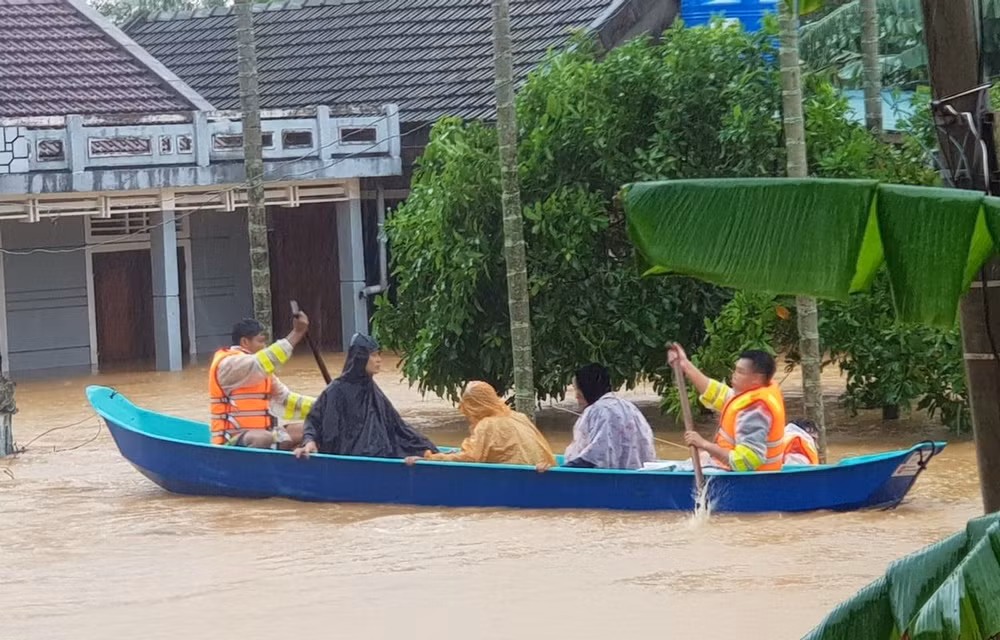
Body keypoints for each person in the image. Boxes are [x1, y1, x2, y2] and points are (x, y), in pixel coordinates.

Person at [293, 333, 438, 459]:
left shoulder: (374, 392)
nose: (379, 359)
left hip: (378, 454)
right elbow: (313, 421)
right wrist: (309, 441)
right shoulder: (336, 390)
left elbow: (398, 427)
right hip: (346, 457)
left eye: (379, 354)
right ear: (361, 358)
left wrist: (429, 450)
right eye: (374, 355)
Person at [667, 344, 786, 472]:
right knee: (700, 457)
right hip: (731, 468)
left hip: (752, 478)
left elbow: (746, 462)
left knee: (699, 458)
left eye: (740, 372)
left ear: (757, 379)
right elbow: (716, 393)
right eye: (735, 370)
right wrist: (685, 365)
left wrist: (704, 444)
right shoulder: (751, 394)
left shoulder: (756, 410)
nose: (733, 375)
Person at [209, 315, 314, 449]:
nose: (264, 346)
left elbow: (286, 400)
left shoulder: (262, 373)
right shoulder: (229, 365)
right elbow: (266, 360)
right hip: (233, 440)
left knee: (310, 429)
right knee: (263, 438)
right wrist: (297, 333)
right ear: (245, 342)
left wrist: (324, 407)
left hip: (267, 435)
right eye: (260, 342)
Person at [405, 381, 555, 467]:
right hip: (540, 469)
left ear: (474, 406)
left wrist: (430, 458)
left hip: (516, 475)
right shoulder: (518, 416)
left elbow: (470, 458)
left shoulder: (487, 425)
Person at [550, 363, 656, 470]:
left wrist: (559, 471)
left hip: (611, 480)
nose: (576, 395)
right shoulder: (629, 406)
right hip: (636, 476)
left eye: (578, 389)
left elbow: (594, 456)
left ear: (587, 388)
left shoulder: (600, 410)